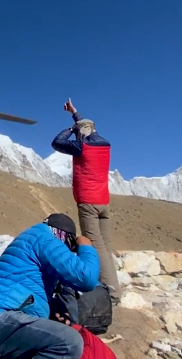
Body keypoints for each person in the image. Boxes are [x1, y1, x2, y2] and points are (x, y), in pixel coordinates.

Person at [0, 213, 100, 359]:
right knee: (69, 343)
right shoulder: (45, 239)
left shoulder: (35, 237)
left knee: (57, 337)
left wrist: (53, 310)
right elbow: (86, 278)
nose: (68, 251)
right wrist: (85, 247)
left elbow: (29, 289)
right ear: (65, 237)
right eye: (69, 247)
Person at [51, 98, 121, 303]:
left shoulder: (82, 147)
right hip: (104, 202)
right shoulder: (104, 144)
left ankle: (112, 294)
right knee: (105, 246)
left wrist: (71, 129)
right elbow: (88, 128)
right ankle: (111, 285)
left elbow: (57, 142)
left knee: (95, 246)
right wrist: (75, 114)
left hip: (88, 202)